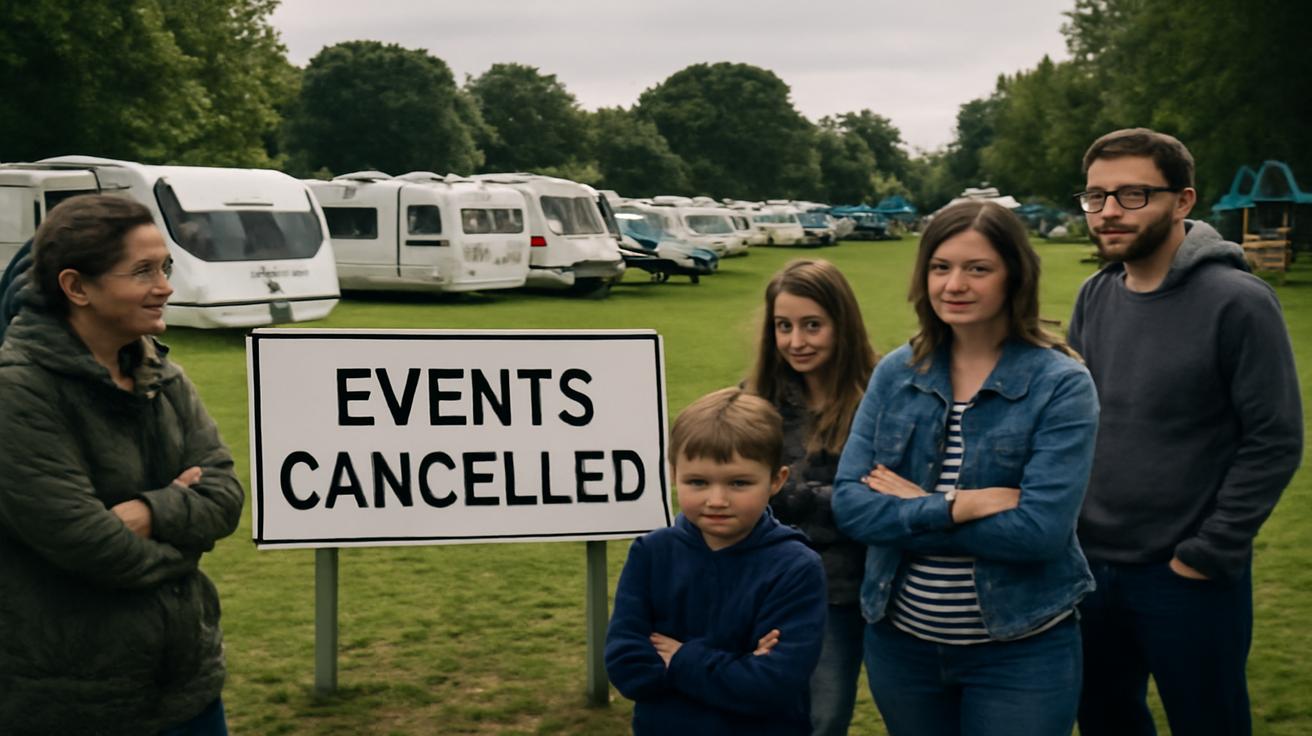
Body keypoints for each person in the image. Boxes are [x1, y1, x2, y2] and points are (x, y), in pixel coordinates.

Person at [832, 201, 1099, 736]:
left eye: (977, 268)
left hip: (1020, 650)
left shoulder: (1061, 383)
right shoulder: (897, 372)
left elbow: (1039, 534)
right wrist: (959, 504)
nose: (954, 284)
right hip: (901, 644)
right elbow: (851, 507)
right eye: (940, 266)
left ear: (1014, 276)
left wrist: (912, 508)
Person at [1069, 128, 1302, 736]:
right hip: (1090, 570)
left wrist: (1208, 553)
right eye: (1095, 197)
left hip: (1186, 576)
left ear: (1184, 200)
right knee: (1106, 721)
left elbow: (1274, 438)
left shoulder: (1238, 301)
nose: (1110, 211)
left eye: (1132, 194)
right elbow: (1071, 423)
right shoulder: (1095, 295)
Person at [0, 195, 244, 735]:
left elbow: (225, 496)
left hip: (189, 687)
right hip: (75, 702)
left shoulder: (162, 373)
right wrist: (186, 530)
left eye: (165, 268)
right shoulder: (18, 391)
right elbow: (90, 544)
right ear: (77, 287)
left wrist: (148, 512)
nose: (165, 287)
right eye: (143, 271)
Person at [604, 387, 828, 735]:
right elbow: (628, 668)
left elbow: (772, 685)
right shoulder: (651, 552)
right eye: (698, 482)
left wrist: (681, 658)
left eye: (739, 483)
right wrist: (738, 665)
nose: (717, 499)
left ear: (775, 481)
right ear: (674, 473)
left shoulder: (796, 567)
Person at [745, 259, 877, 736]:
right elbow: (741, 498)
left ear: (842, 324)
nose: (796, 341)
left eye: (812, 325)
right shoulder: (756, 403)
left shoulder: (880, 397)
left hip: (849, 593)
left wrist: (789, 496)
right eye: (784, 326)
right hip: (767, 590)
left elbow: (882, 505)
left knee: (824, 719)